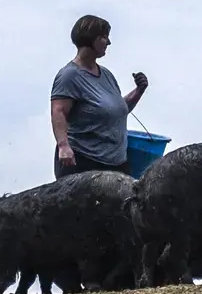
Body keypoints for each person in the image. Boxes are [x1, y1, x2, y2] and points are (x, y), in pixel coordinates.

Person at [50, 14, 148, 179]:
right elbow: (58, 111)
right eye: (104, 37)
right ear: (90, 39)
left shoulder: (106, 75)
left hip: (117, 163)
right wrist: (63, 146)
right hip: (84, 163)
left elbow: (117, 110)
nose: (108, 43)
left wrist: (139, 90)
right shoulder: (69, 75)